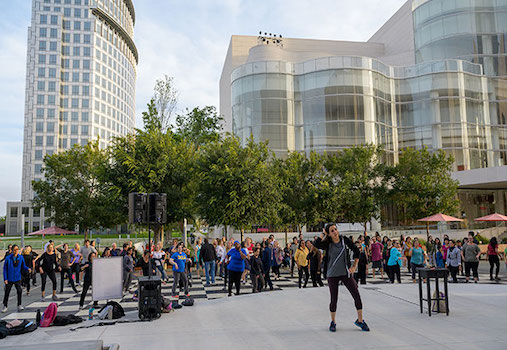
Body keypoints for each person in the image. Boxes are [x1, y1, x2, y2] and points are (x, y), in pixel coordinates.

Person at [314, 224, 369, 332]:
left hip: (345, 273)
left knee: (356, 295)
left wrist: (354, 266)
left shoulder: (344, 240)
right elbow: (316, 243)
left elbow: (357, 251)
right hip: (332, 274)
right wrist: (323, 233)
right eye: (332, 231)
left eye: (335, 229)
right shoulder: (328, 243)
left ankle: (360, 321)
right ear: (329, 234)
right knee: (334, 299)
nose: (335, 232)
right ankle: (333, 322)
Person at [2, 245, 30, 313]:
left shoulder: (20, 257)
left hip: (17, 278)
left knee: (19, 291)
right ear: (12, 250)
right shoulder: (8, 258)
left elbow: (23, 266)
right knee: (7, 292)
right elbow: (5, 269)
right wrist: (5, 278)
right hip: (9, 278)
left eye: (17, 249)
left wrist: (28, 269)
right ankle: (5, 306)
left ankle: (19, 305)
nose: (16, 251)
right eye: (15, 249)